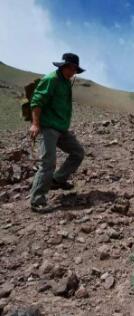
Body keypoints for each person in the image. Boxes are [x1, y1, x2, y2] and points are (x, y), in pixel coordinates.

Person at [29, 53, 86, 213]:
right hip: (48, 127)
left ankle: (58, 180)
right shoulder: (51, 79)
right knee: (48, 163)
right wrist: (35, 124)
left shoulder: (66, 82)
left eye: (76, 69)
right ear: (64, 66)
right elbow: (36, 101)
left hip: (61, 128)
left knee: (78, 153)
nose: (74, 72)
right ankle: (37, 201)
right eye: (72, 68)